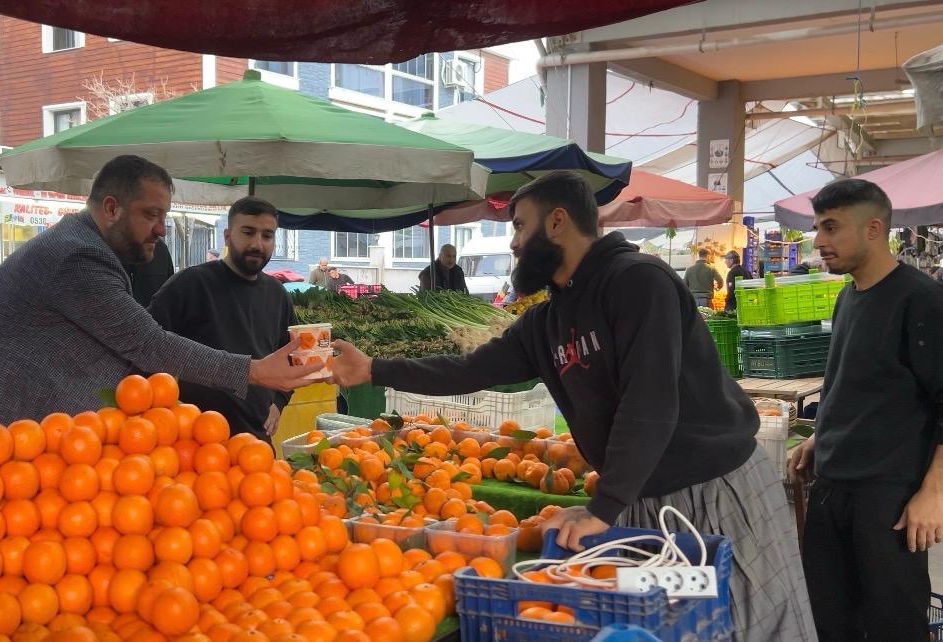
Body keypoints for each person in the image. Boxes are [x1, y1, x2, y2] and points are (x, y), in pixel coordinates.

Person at [331, 171, 814, 641]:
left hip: (713, 491)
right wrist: (374, 368)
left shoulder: (638, 282)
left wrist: (603, 506)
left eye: (520, 225)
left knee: (751, 620)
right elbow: (470, 370)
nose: (514, 243)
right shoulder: (546, 320)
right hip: (641, 503)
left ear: (557, 221)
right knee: (673, 628)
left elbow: (649, 399)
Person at [0, 155, 319, 437]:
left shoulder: (83, 245)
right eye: (151, 214)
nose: (160, 228)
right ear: (112, 208)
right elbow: (148, 344)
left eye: (164, 216)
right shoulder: (78, 256)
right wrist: (255, 372)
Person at [788, 179, 943, 641]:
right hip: (833, 487)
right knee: (830, 621)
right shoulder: (848, 296)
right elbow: (853, 383)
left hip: (889, 497)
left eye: (831, 228)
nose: (819, 242)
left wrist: (933, 494)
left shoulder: (922, 300)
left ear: (874, 228)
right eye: (818, 228)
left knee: (893, 623)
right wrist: (820, 436)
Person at [149, 196, 294, 441]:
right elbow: (146, 343)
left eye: (267, 236)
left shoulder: (278, 294)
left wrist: (279, 402)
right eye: (248, 232)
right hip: (194, 443)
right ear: (227, 236)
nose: (258, 244)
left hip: (255, 443)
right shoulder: (191, 284)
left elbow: (291, 356)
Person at [127, 239, 174, 307]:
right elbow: (170, 280)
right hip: (160, 308)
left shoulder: (133, 247)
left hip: (138, 308)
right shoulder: (163, 248)